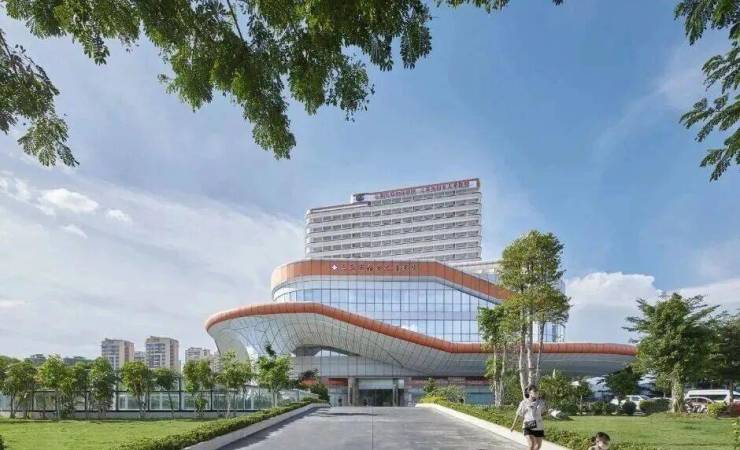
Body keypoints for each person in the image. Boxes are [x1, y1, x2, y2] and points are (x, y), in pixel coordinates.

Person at [510, 384, 546, 450]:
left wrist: (550, 412)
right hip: (528, 425)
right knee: (531, 444)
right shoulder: (524, 402)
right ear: (529, 392)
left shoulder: (541, 402)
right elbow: (518, 414)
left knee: (538, 446)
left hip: (539, 426)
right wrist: (513, 426)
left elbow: (542, 414)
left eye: (537, 391)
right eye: (535, 391)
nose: (537, 393)